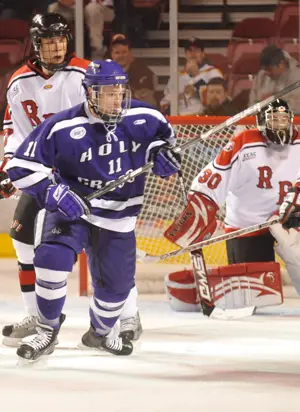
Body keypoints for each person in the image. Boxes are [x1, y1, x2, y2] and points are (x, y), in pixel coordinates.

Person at [5, 59, 180, 360]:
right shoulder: (63, 125)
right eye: (108, 93)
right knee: (50, 257)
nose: (116, 99)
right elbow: (19, 165)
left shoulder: (144, 116)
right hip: (72, 209)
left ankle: (98, 335)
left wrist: (163, 156)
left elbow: (164, 141)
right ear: (89, 93)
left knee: (116, 289)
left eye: (119, 92)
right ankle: (47, 331)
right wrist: (52, 191)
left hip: (119, 217)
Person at [0, 13, 142, 348]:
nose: (56, 47)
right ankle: (38, 316)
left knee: (109, 245)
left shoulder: (87, 73)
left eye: (60, 40)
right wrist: (10, 167)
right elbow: (15, 131)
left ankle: (128, 316)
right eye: (48, 41)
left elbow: (114, 114)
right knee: (22, 239)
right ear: (36, 45)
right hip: (45, 178)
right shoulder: (18, 83)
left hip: (89, 173)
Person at [163, 99, 300, 311]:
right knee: (252, 300)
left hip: (289, 222)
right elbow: (214, 177)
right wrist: (201, 208)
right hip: (248, 224)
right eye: (274, 120)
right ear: (261, 123)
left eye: (283, 120)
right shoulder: (244, 142)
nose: (280, 125)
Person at [160, 37, 223, 115]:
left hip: (203, 118)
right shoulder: (176, 76)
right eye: (189, 50)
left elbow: (216, 101)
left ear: (203, 54)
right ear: (185, 54)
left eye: (196, 50)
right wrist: (178, 97)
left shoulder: (213, 72)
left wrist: (195, 76)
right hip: (178, 118)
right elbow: (164, 104)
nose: (193, 53)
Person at [48, 0, 115, 59]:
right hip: (75, 8)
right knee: (53, 8)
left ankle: (96, 50)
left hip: (103, 8)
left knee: (92, 9)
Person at [249, 45, 300, 115]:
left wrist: (274, 100)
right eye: (264, 69)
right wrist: (261, 105)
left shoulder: (297, 77)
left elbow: (297, 107)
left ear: (281, 64)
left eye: (269, 69)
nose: (266, 73)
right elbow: (251, 107)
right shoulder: (261, 76)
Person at [110, 34, 158, 108]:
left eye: (124, 52)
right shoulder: (105, 71)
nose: (121, 56)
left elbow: (144, 95)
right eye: (117, 53)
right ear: (112, 55)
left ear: (130, 53)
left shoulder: (141, 69)